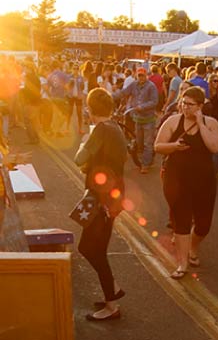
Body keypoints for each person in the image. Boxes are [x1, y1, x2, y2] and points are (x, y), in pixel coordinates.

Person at [154, 87, 218, 279]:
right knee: (181, 222)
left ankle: (193, 246)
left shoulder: (212, 123)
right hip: (176, 180)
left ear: (200, 106)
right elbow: (158, 146)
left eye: (190, 105)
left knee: (203, 225)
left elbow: (215, 147)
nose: (185, 107)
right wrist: (174, 147)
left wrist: (200, 124)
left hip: (204, 182)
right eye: (183, 103)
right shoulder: (173, 121)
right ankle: (182, 263)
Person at [74, 88, 127, 321]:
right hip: (112, 196)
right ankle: (110, 293)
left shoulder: (101, 130)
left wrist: (85, 140)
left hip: (100, 198)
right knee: (98, 248)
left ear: (90, 109)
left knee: (88, 248)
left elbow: (79, 159)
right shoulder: (115, 127)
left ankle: (112, 302)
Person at [114, 68, 158, 174]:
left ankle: (145, 165)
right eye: (139, 75)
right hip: (138, 119)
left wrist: (142, 107)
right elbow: (124, 93)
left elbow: (154, 101)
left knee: (147, 143)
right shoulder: (134, 84)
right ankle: (144, 160)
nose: (141, 78)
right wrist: (110, 96)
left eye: (142, 75)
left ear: (146, 75)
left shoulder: (151, 86)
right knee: (139, 143)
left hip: (148, 119)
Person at [67, 64, 85, 134]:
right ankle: (67, 129)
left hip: (78, 96)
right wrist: (70, 84)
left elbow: (83, 87)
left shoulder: (81, 78)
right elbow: (67, 87)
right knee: (69, 113)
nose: (75, 70)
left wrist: (82, 85)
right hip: (71, 96)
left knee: (79, 113)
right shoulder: (69, 77)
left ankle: (80, 129)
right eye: (74, 68)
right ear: (72, 69)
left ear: (78, 70)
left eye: (77, 69)